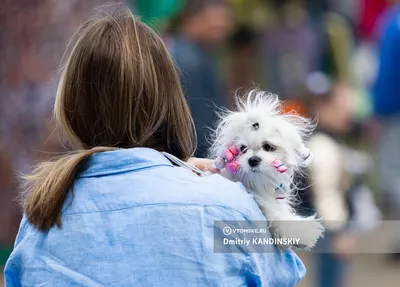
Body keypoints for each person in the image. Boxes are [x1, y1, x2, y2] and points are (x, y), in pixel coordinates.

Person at [4, 7, 306, 286]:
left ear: (71, 105)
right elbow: (280, 275)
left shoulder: (41, 216)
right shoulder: (229, 206)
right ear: (171, 101)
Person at [165, 0, 233, 158]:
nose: (224, 25)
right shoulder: (188, 60)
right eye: (216, 19)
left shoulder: (195, 55)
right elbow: (201, 123)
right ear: (191, 20)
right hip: (195, 158)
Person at [372, 2, 400, 257]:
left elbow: (387, 72)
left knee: (391, 175)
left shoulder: (394, 23)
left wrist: (377, 108)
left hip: (394, 110)